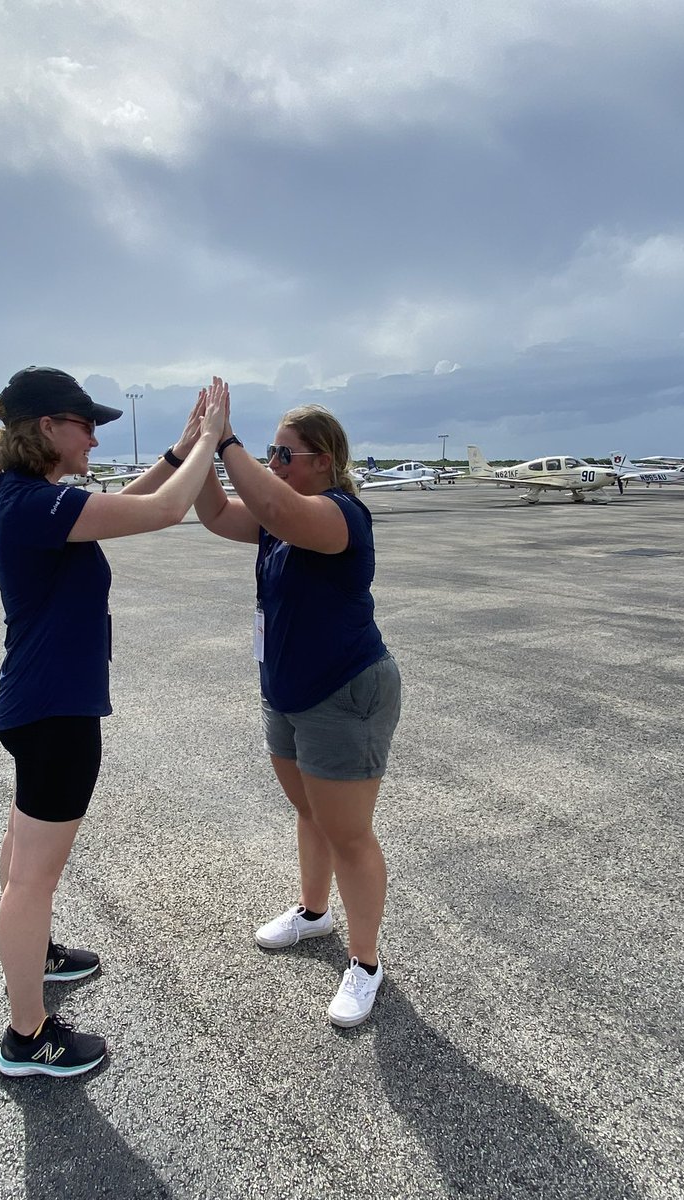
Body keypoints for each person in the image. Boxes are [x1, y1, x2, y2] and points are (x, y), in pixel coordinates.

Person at [0, 366, 226, 1077]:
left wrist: (183, 450)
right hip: (54, 712)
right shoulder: (34, 504)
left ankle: (41, 954)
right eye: (84, 422)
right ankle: (28, 1037)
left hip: (40, 704)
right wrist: (213, 439)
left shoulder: (39, 500)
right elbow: (162, 513)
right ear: (46, 430)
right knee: (31, 876)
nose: (94, 434)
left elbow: (126, 502)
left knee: (23, 854)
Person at [180, 383, 401, 1028]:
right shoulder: (276, 522)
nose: (274, 463)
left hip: (344, 691)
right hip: (287, 690)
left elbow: (272, 504)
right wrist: (199, 447)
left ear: (325, 462)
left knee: (349, 833)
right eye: (271, 451)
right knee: (309, 810)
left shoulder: (339, 513)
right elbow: (220, 513)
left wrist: (227, 440)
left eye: (285, 452)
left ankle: (365, 964)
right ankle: (313, 913)